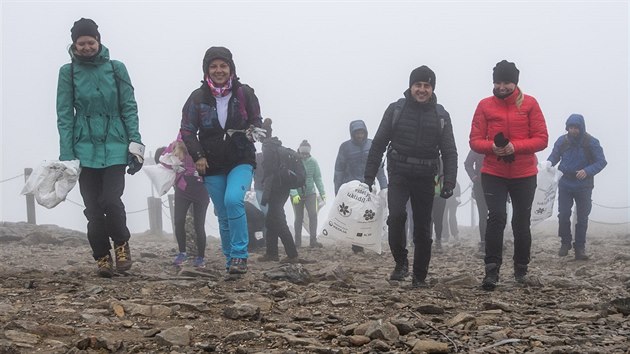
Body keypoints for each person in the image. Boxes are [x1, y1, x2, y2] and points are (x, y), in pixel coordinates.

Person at [57, 18, 144, 278]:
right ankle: (102, 257)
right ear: (74, 44)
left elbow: (129, 107)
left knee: (111, 200)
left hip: (116, 145)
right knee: (93, 207)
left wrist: (135, 145)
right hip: (83, 149)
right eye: (81, 43)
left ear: (99, 41)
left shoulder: (117, 69)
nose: (86, 47)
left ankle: (121, 244)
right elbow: (64, 114)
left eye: (90, 42)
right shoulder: (68, 72)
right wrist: (67, 155)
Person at [364, 65, 458, 288]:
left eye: (427, 86)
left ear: (432, 88)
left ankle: (419, 276)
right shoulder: (396, 109)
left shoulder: (441, 115)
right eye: (418, 85)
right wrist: (368, 177)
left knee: (423, 227)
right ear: (410, 86)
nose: (422, 90)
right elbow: (378, 144)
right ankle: (401, 263)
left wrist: (449, 181)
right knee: (396, 217)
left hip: (426, 176)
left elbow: (449, 151)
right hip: (399, 172)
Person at [180, 46, 262, 275]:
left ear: (231, 68)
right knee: (222, 212)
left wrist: (254, 130)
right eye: (213, 66)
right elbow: (187, 130)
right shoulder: (197, 98)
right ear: (207, 70)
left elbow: (257, 120)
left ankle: (239, 255)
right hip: (211, 163)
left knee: (234, 200)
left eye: (223, 66)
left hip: (241, 158)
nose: (219, 70)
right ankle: (230, 261)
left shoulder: (244, 93)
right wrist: (198, 156)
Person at [469, 60, 548, 291]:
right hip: (494, 171)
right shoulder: (485, 105)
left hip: (524, 172)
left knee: (521, 221)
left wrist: (516, 147)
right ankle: (491, 271)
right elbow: (475, 140)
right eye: (498, 82)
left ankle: (521, 269)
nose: (501, 86)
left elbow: (542, 138)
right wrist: (492, 147)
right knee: (496, 217)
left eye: (507, 82)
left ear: (515, 82)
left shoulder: (530, 104)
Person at [547, 114, 607, 260]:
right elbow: (554, 156)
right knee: (563, 214)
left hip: (584, 185)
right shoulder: (562, 141)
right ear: (567, 127)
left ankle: (580, 247)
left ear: (581, 128)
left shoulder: (591, 142)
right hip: (565, 182)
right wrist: (548, 164)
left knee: (582, 217)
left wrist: (587, 171)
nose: (573, 130)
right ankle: (565, 242)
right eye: (570, 127)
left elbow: (601, 161)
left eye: (576, 128)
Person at [334, 120, 388, 253]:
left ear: (365, 132)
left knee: (368, 217)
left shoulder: (372, 145)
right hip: (351, 189)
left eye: (362, 132)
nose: (359, 135)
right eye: (357, 133)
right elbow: (339, 169)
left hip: (369, 187)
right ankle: (357, 245)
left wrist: (384, 186)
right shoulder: (345, 147)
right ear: (352, 133)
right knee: (355, 217)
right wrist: (338, 191)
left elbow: (379, 168)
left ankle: (368, 241)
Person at [159, 135, 210, 268]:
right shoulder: (176, 143)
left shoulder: (204, 140)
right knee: (178, 221)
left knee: (199, 224)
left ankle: (201, 257)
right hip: (183, 187)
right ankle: (182, 253)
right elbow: (163, 159)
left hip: (201, 187)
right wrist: (175, 166)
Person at [258, 120, 301, 262]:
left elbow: (269, 169)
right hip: (284, 187)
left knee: (278, 220)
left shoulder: (268, 147)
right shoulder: (277, 145)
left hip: (276, 187)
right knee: (271, 219)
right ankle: (272, 253)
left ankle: (292, 255)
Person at [291, 140, 326, 248]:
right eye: (303, 153)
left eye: (307, 153)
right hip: (297, 194)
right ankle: (297, 242)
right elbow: (289, 179)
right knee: (299, 217)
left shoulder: (313, 162)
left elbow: (317, 178)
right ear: (299, 151)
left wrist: (322, 192)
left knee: (313, 215)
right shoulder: (294, 162)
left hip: (311, 193)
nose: (305, 155)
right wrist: (294, 193)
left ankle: (313, 240)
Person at [464, 149, 488, 253]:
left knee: (497, 214)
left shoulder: (498, 142)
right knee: (483, 213)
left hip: (498, 183)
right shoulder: (478, 146)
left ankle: (494, 240)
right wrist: (475, 178)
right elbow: (468, 163)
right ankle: (484, 242)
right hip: (480, 185)